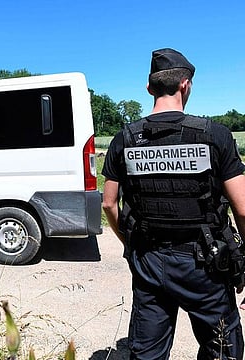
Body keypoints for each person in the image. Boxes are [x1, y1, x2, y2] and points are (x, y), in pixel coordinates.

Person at [102, 48, 245, 359]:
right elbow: (243, 208)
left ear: (150, 88)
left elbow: (109, 204)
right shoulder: (215, 136)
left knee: (148, 353)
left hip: (149, 261)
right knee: (222, 349)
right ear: (186, 85)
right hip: (206, 263)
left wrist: (129, 244)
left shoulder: (124, 139)